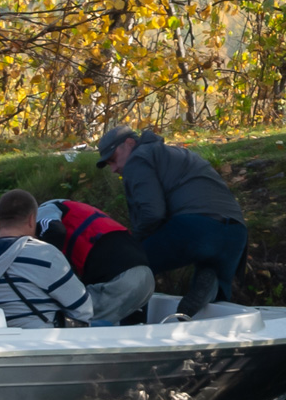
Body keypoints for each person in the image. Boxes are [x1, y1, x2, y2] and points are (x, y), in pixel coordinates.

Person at [96, 124, 247, 317]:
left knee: (129, 268)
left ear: (130, 143)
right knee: (214, 305)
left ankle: (126, 328)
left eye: (113, 160)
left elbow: (153, 213)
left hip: (197, 229)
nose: (114, 169)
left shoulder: (138, 158)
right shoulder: (176, 153)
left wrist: (133, 245)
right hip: (236, 233)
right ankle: (212, 290)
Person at [0, 189, 93, 329]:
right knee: (104, 325)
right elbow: (82, 310)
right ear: (32, 220)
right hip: (41, 345)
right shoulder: (43, 254)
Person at [36, 199, 154, 324]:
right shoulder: (82, 210)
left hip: (119, 280)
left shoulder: (44, 209)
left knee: (74, 324)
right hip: (145, 278)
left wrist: (45, 273)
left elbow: (55, 230)